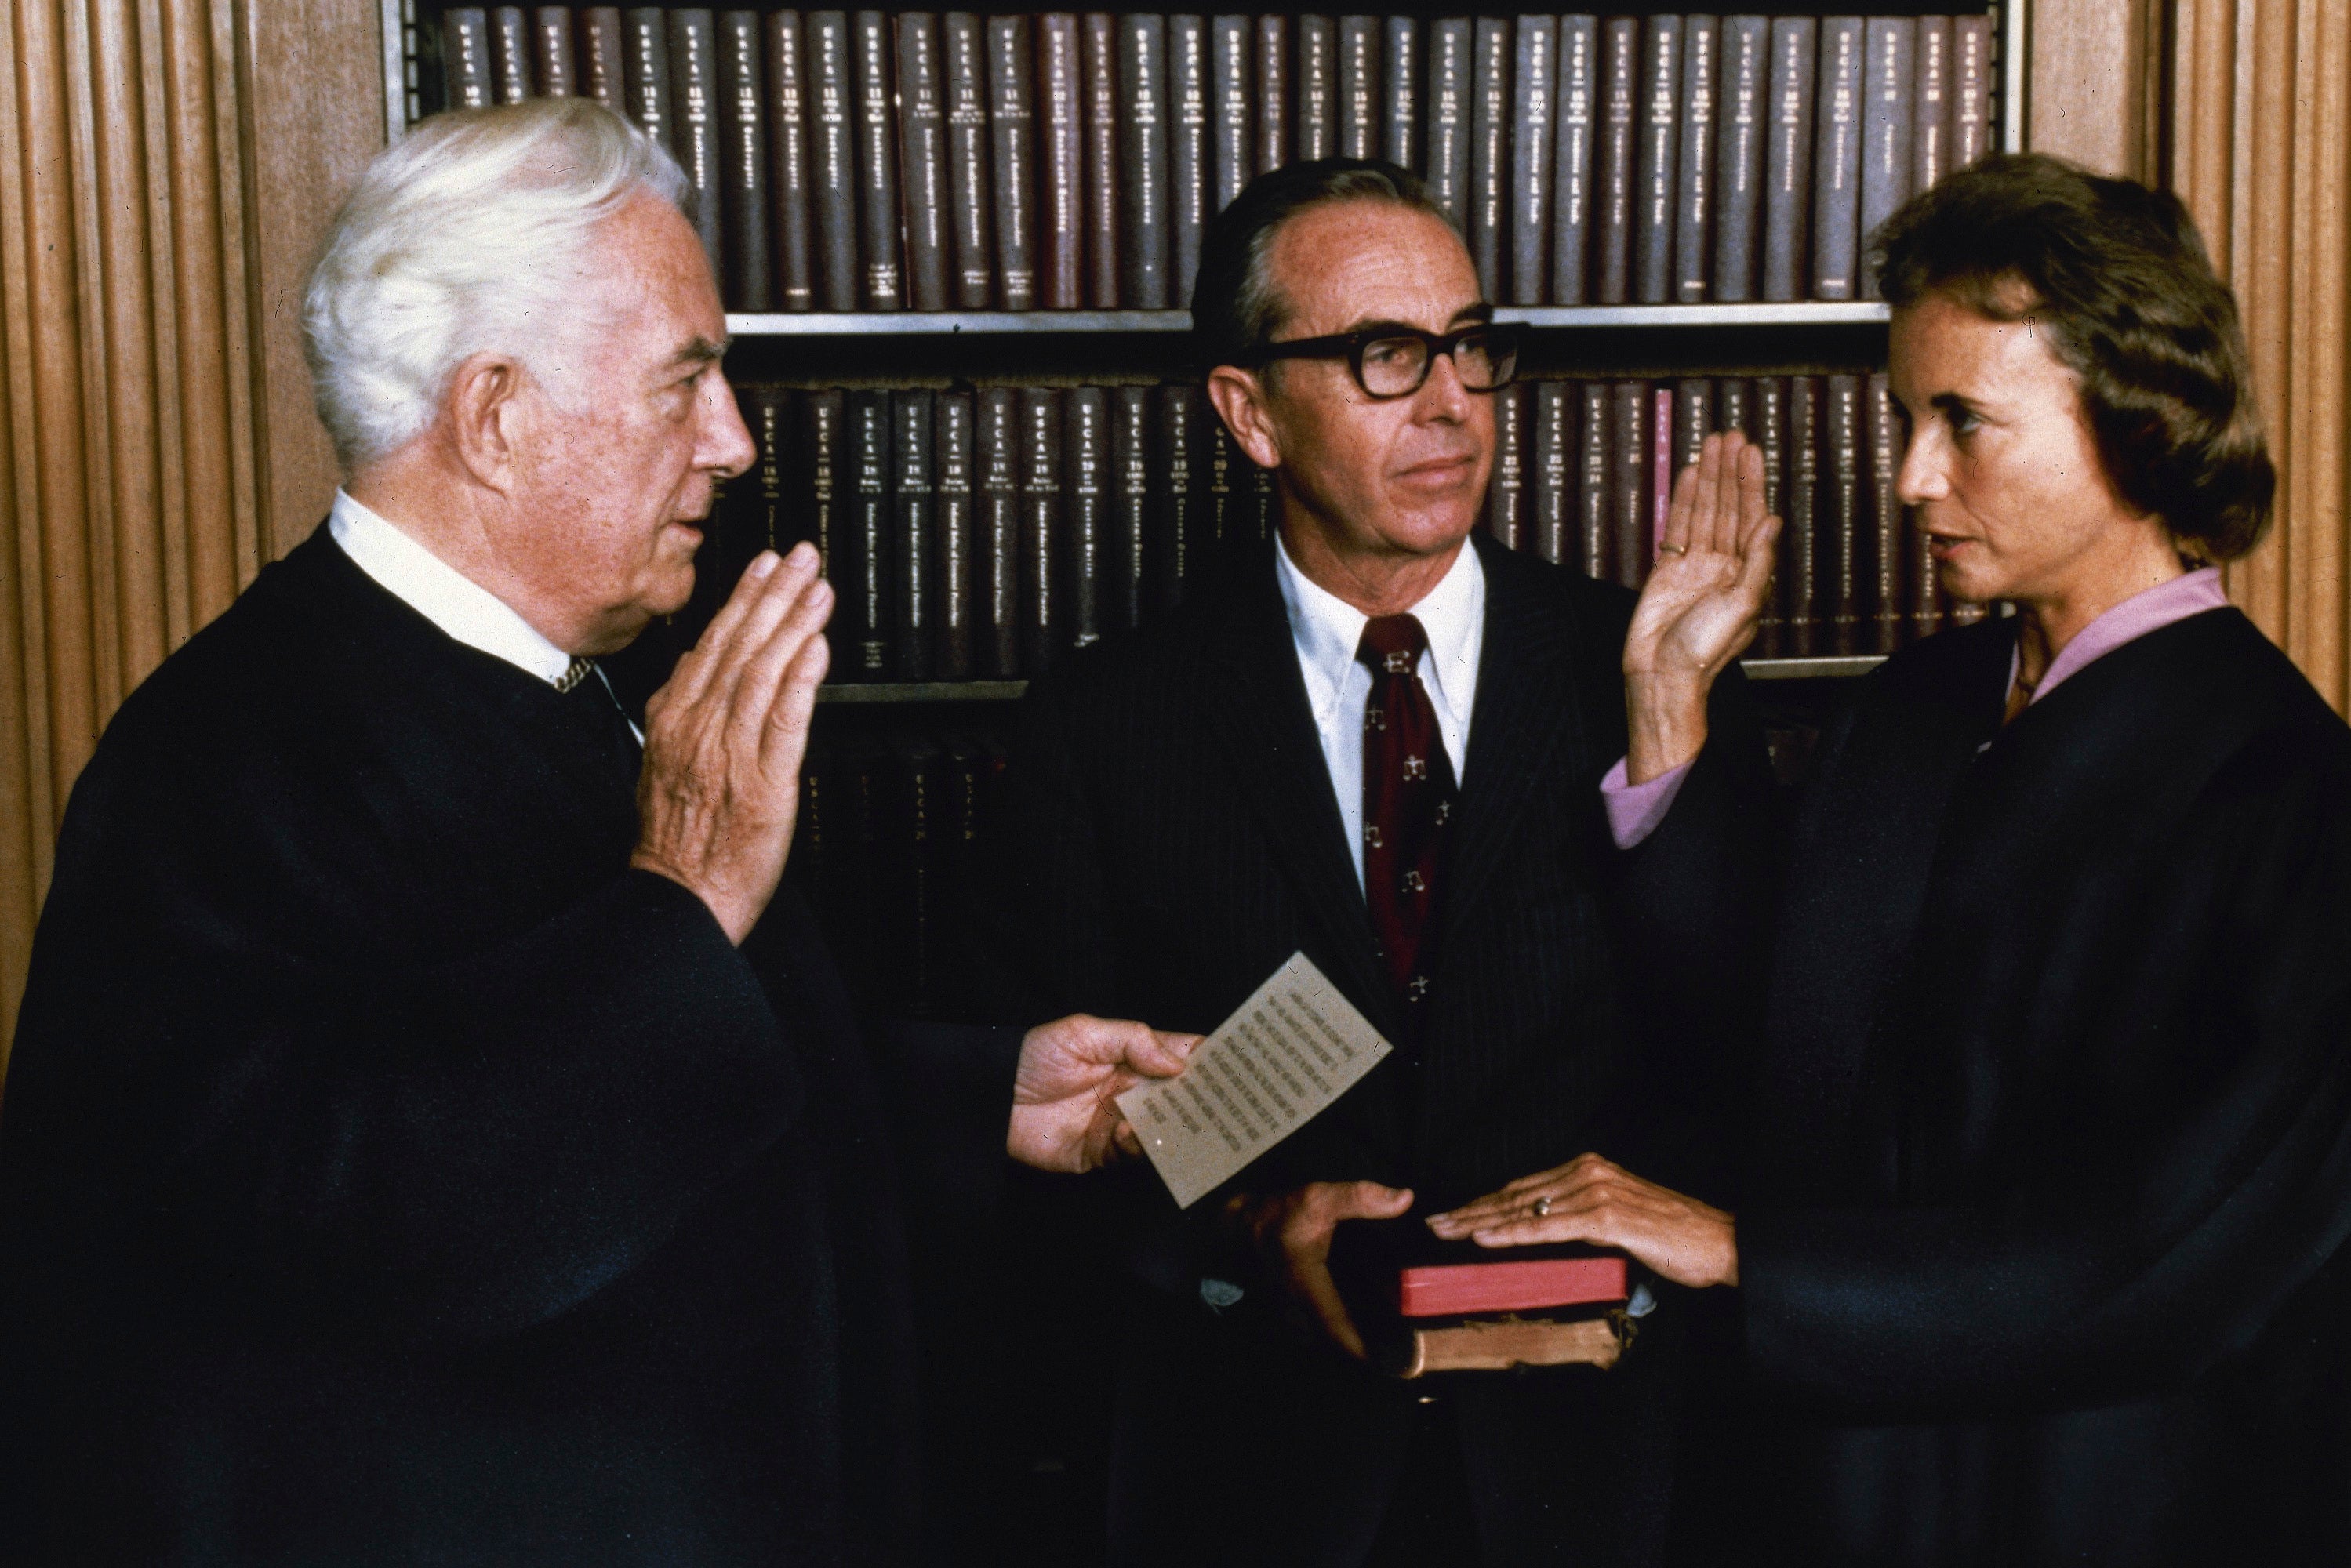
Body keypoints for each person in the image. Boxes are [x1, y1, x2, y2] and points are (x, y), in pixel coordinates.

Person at [0, 99, 1194, 1566]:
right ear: (496, 417)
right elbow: (344, 1226)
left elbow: (647, 1068)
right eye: (685, 383)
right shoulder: (226, 752)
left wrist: (974, 1101)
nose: (736, 444)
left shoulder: (565, 683)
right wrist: (678, 890)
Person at [1430, 153, 2351, 1563]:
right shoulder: (1912, 715)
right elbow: (1767, 1046)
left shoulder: (2287, 791)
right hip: (1822, 1492)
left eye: (1964, 422)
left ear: (2137, 418)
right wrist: (1668, 697)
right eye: (1906, 418)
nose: (1914, 479)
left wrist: (1752, 1257)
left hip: (2098, 1508)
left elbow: (2176, 1254)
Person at [1000, 159, 1772, 1567]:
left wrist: (1666, 720)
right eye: (1381, 356)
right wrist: (1246, 1227)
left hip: (1602, 1474)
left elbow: (1750, 1059)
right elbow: (1061, 1142)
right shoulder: (1105, 720)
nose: (1450, 404)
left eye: (1470, 346)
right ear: (1249, 413)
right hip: (1254, 1474)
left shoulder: (1648, 662)